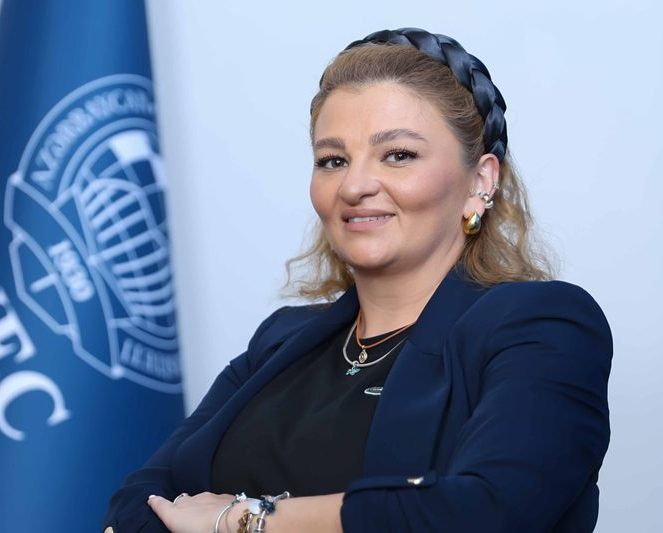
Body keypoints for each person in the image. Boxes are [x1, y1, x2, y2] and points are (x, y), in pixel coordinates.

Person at [103, 28, 612, 533]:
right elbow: (139, 502)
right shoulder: (281, 338)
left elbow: (481, 512)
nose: (354, 185)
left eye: (398, 155)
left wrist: (241, 519)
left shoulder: (543, 326)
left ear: (481, 181)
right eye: (333, 161)